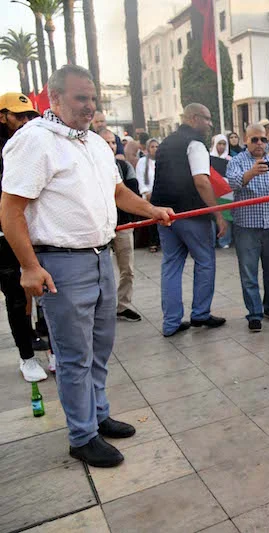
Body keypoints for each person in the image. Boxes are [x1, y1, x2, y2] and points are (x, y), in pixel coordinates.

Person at [0, 65, 174, 468]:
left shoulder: (94, 144)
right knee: (73, 355)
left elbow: (116, 191)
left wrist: (150, 209)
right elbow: (10, 209)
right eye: (81, 98)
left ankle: (98, 415)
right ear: (54, 99)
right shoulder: (34, 142)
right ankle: (82, 436)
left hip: (100, 257)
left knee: (99, 349)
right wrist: (28, 266)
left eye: (93, 98)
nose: (90, 105)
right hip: (61, 265)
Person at [150, 103, 227, 337]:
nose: (210, 124)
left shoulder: (165, 143)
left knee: (171, 265)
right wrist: (218, 215)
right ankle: (200, 313)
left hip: (164, 213)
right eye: (207, 119)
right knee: (205, 261)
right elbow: (202, 181)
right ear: (193, 118)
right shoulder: (195, 144)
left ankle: (171, 322)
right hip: (191, 214)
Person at [0, 92, 55, 382]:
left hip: (37, 230)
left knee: (50, 292)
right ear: (2, 116)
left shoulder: (34, 142)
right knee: (17, 297)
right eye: (18, 115)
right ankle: (26, 357)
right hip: (5, 235)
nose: (24, 121)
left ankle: (54, 349)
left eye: (28, 115)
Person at [227, 124, 269, 332]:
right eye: (254, 139)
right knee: (249, 272)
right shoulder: (237, 161)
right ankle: (254, 314)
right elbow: (234, 183)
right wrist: (251, 173)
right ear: (246, 140)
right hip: (247, 225)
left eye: (263, 140)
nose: (259, 144)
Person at [98, 128, 143, 322]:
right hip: (99, 227)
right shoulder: (90, 167)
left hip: (123, 225)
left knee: (127, 269)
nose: (110, 146)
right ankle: (102, 309)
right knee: (101, 272)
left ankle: (123, 305)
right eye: (106, 142)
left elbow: (132, 192)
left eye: (113, 142)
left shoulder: (124, 167)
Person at [136, 138, 160, 252]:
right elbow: (140, 178)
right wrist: (146, 192)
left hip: (160, 193)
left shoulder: (161, 160)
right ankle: (153, 242)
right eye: (152, 147)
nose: (155, 149)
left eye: (156, 147)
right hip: (148, 194)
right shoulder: (142, 162)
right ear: (147, 149)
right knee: (151, 219)